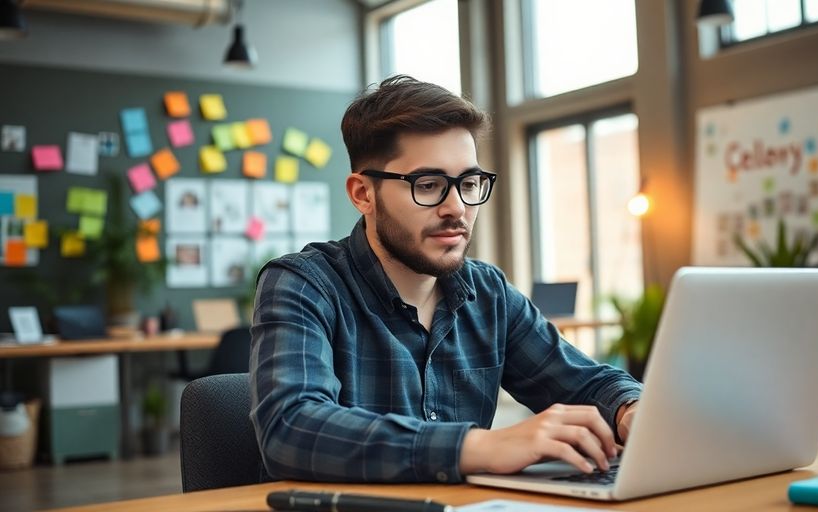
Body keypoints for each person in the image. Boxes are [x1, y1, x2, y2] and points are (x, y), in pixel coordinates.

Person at [250, 75, 642, 484]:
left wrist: (631, 410)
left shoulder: (488, 293)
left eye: (469, 183)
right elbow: (291, 430)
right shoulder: (303, 284)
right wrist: (482, 447)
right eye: (429, 185)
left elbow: (584, 382)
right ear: (363, 194)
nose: (456, 208)